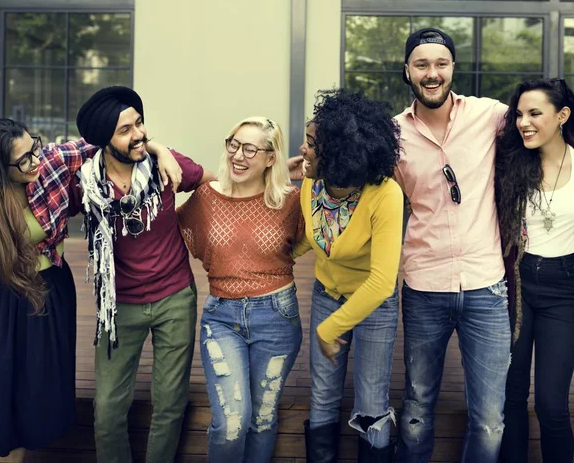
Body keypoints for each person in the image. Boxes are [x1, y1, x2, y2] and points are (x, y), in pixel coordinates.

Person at [0, 117, 178, 463]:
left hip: (43, 294)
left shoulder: (51, 161)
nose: (35, 161)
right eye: (24, 160)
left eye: (34, 147)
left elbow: (108, 140)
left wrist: (159, 149)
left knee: (26, 393)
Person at [69, 86, 215, 463]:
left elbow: (212, 184)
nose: (139, 134)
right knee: (106, 411)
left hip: (175, 298)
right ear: (104, 140)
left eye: (139, 123)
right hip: (118, 306)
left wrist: (194, 227)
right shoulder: (83, 181)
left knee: (170, 404)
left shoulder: (165, 165)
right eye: (125, 130)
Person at [394, 28, 512, 463]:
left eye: (440, 64)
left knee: (489, 417)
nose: (432, 73)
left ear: (453, 70)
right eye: (422, 64)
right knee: (417, 410)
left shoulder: (490, 116)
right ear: (407, 71)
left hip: (486, 287)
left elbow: (545, 128)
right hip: (424, 286)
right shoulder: (393, 136)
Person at [176, 116, 305, 463]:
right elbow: (177, 232)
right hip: (222, 318)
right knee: (231, 423)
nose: (238, 155)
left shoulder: (290, 201)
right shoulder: (207, 196)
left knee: (263, 420)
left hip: (277, 317)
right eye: (233, 144)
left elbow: (308, 241)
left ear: (270, 158)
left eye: (250, 149)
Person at [299, 88, 404, 463]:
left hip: (374, 304)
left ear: (340, 151)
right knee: (323, 397)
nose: (303, 149)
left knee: (371, 404)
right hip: (328, 293)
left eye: (311, 143)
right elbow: (312, 239)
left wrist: (329, 329)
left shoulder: (385, 194)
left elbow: (381, 280)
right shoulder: (311, 182)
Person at [496, 78, 574, 463]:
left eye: (535, 114)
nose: (523, 122)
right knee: (510, 398)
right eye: (519, 115)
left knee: (551, 404)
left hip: (565, 292)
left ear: (562, 116)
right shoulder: (510, 167)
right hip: (517, 288)